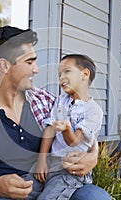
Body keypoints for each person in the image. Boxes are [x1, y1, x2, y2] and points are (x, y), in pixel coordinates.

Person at [0, 26, 110, 200]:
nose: (36, 69)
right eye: (29, 62)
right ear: (4, 65)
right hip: (3, 195)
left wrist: (92, 156)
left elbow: (83, 131)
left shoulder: (44, 101)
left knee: (95, 197)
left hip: (52, 181)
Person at [34, 54, 104, 199]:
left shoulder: (93, 111)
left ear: (85, 74)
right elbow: (49, 128)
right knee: (22, 189)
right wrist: (41, 160)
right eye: (59, 74)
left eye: (67, 72)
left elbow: (75, 141)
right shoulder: (61, 101)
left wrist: (66, 129)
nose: (61, 78)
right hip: (50, 163)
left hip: (71, 171)